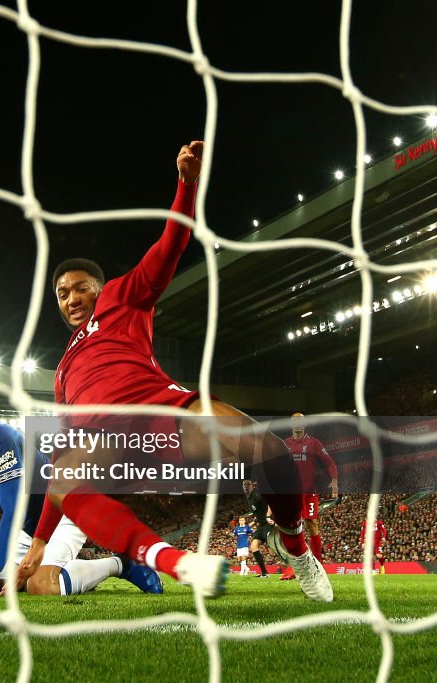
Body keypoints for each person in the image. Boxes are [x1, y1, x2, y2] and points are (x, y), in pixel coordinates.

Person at [31, 141, 332, 602]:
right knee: (63, 477)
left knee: (267, 451)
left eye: (78, 288)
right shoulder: (62, 371)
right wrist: (37, 545)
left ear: (98, 288)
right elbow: (63, 461)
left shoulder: (119, 298)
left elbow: (168, 248)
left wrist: (186, 186)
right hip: (110, 444)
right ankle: (174, 562)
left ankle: (293, 543)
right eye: (61, 294)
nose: (70, 299)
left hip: (163, 411)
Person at [0, 388, 162, 597]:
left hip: (66, 505)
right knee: (2, 585)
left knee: (40, 585)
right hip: (31, 526)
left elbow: (13, 509)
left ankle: (121, 564)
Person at [279, 412, 338, 580]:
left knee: (312, 524)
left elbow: (329, 462)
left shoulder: (313, 443)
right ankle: (293, 568)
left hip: (309, 493)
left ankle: (318, 564)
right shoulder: (285, 445)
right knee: (292, 531)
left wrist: (334, 480)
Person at [242, 479, 272, 578]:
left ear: (252, 486)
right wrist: (253, 522)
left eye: (248, 484)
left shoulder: (258, 494)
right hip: (261, 525)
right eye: (244, 485)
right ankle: (264, 573)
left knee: (274, 546)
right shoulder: (249, 498)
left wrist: (268, 517)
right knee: (254, 547)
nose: (246, 486)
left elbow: (270, 504)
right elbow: (256, 512)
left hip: (269, 522)